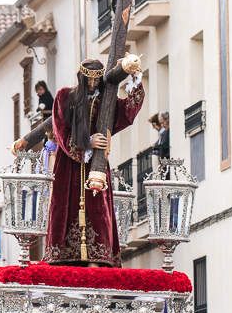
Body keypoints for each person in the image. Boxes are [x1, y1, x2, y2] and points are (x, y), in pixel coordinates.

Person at [13, 58, 143, 267]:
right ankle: (63, 256)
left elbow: (128, 112)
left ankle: (99, 257)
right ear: (81, 78)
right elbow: (61, 130)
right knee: (65, 208)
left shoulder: (107, 101)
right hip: (68, 166)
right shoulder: (65, 97)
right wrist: (86, 143)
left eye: (96, 80)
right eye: (88, 80)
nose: (92, 85)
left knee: (98, 211)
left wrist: (135, 77)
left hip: (97, 168)